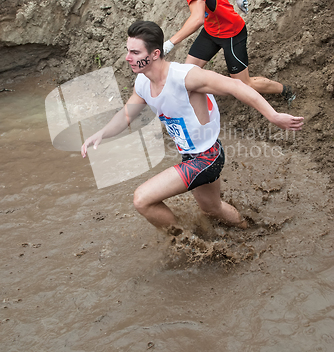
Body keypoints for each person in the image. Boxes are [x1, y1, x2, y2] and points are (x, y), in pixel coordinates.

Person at [81, 21, 304, 231]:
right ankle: (249, 230)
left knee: (142, 199)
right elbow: (127, 115)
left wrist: (273, 116)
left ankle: (186, 243)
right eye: (127, 50)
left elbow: (236, 86)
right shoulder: (142, 82)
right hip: (191, 155)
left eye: (135, 52)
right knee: (212, 209)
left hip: (207, 157)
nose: (127, 58)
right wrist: (102, 133)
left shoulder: (184, 77)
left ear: (155, 54)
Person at [152, 0, 295, 104]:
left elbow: (197, 18)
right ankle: (197, 112)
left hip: (231, 33)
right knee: (188, 75)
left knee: (243, 84)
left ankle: (285, 90)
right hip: (211, 30)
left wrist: (170, 43)